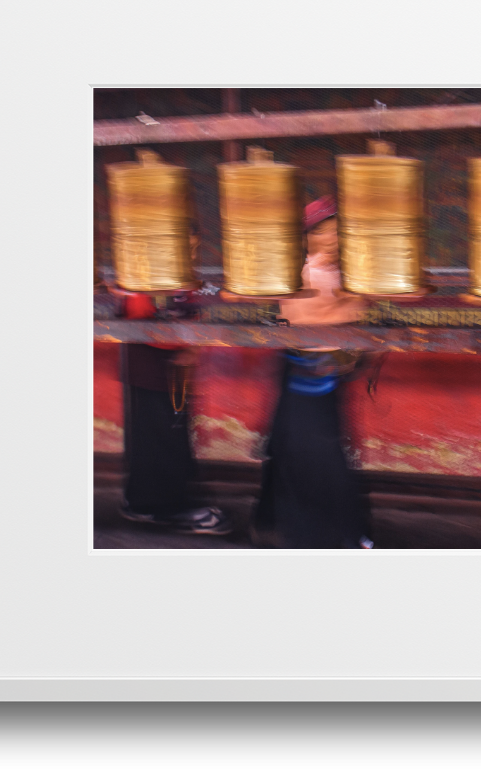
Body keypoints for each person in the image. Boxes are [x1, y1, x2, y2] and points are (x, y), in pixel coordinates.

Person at [251, 195, 375, 550]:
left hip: (328, 376)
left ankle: (297, 529)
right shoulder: (303, 271)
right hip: (306, 374)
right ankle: (330, 537)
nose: (334, 240)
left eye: (340, 233)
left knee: (310, 452)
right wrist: (356, 302)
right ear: (309, 237)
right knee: (318, 457)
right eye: (326, 233)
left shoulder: (341, 272)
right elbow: (320, 318)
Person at [120, 342, 229, 534]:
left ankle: (145, 501)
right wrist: (188, 343)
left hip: (167, 351)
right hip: (161, 350)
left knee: (165, 425)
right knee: (162, 425)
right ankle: (158, 506)